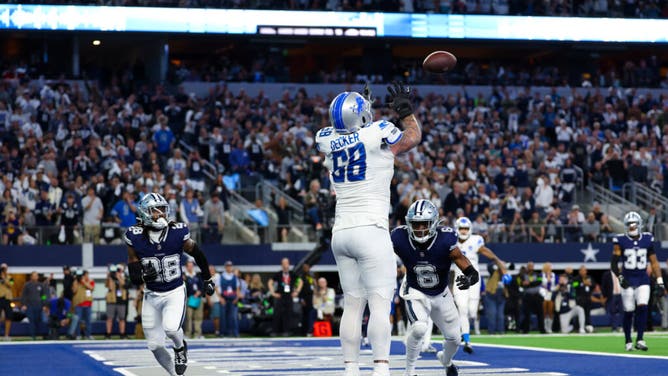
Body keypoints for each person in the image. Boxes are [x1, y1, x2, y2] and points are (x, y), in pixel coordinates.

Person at [314, 82, 422, 376]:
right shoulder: (380, 131)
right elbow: (411, 138)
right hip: (371, 229)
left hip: (342, 231)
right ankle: (381, 368)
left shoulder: (324, 138)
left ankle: (350, 368)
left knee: (352, 303)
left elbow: (350, 133)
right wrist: (405, 112)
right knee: (378, 301)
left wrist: (366, 111)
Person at [125, 192, 215, 376]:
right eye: (155, 211)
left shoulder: (177, 233)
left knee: (172, 329)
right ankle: (175, 375)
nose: (161, 215)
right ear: (144, 214)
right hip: (151, 295)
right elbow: (133, 276)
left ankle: (180, 348)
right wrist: (143, 277)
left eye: (163, 210)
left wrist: (207, 278)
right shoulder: (134, 237)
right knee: (154, 345)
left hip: (174, 291)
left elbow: (198, 254)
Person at [391, 200, 479, 376]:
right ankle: (409, 372)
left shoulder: (445, 238)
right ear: (408, 224)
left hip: (441, 293)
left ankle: (445, 360)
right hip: (415, 290)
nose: (420, 228)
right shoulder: (398, 237)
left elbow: (459, 258)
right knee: (419, 328)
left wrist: (471, 274)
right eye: (416, 224)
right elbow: (379, 256)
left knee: (454, 339)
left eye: (425, 223)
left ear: (434, 223)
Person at [452, 216, 506, 354]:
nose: (463, 231)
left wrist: (498, 261)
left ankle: (465, 332)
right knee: (462, 309)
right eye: (461, 228)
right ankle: (467, 340)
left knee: (471, 312)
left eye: (466, 228)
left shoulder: (476, 240)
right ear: (457, 229)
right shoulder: (451, 241)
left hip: (474, 280)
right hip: (459, 279)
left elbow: (486, 251)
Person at [611, 211, 664, 351]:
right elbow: (613, 264)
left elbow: (654, 263)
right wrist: (620, 278)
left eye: (634, 224)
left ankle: (640, 339)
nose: (631, 227)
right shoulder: (620, 240)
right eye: (629, 224)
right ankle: (628, 340)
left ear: (640, 224)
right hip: (627, 279)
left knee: (643, 306)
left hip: (642, 279)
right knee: (629, 310)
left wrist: (660, 281)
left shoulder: (647, 239)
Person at [268, 257, 303, 336]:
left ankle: (287, 331)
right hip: (280, 296)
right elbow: (270, 282)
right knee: (277, 314)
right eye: (284, 264)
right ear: (281, 265)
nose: (285, 265)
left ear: (289, 264)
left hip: (289, 296)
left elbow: (300, 281)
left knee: (288, 314)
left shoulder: (292, 274)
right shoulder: (279, 274)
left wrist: (297, 291)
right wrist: (273, 293)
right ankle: (275, 331)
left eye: (287, 263)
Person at [105, 264, 128, 339]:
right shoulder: (110, 277)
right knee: (109, 318)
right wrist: (109, 277)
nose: (117, 272)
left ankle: (122, 334)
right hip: (111, 300)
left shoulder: (124, 277)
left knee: (122, 318)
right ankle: (108, 334)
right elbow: (109, 287)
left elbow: (125, 285)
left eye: (119, 270)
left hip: (121, 300)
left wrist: (119, 277)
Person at [0, 264, 14, 340]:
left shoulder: (10, 277)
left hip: (7, 299)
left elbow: (11, 285)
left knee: (8, 316)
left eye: (5, 268)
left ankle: (6, 335)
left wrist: (4, 279)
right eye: (2, 268)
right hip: (0, 298)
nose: (4, 270)